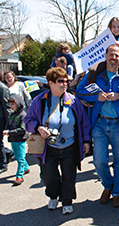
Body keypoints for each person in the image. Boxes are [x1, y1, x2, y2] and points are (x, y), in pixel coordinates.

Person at [76, 44, 119, 207]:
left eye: (117, 55)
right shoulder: (95, 74)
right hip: (99, 124)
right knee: (99, 161)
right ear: (105, 55)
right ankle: (108, 185)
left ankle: (117, 192)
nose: (114, 58)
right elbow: (79, 93)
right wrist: (96, 97)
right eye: (111, 54)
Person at [24, 67, 91, 215]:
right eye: (60, 81)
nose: (64, 84)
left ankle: (67, 201)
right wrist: (38, 128)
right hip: (48, 148)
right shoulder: (40, 101)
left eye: (66, 81)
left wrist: (86, 141)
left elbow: (84, 122)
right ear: (51, 83)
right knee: (50, 177)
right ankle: (53, 196)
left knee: (69, 176)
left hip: (69, 146)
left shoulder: (73, 100)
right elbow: (27, 120)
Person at [87, 17, 119, 93]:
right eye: (114, 27)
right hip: (106, 61)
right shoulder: (105, 39)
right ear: (110, 28)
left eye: (118, 27)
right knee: (92, 71)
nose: (116, 29)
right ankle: (92, 93)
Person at [3, 94, 30, 185]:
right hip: (13, 139)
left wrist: (9, 133)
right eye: (10, 104)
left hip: (20, 140)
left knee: (20, 158)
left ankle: (19, 176)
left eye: (13, 104)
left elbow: (23, 129)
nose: (11, 106)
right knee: (18, 156)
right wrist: (6, 129)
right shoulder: (12, 115)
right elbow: (9, 124)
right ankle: (26, 168)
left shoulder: (23, 115)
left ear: (18, 104)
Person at [0, 79, 12, 174]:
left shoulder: (2, 88)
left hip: (1, 118)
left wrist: (9, 123)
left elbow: (7, 106)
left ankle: (3, 164)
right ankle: (7, 152)